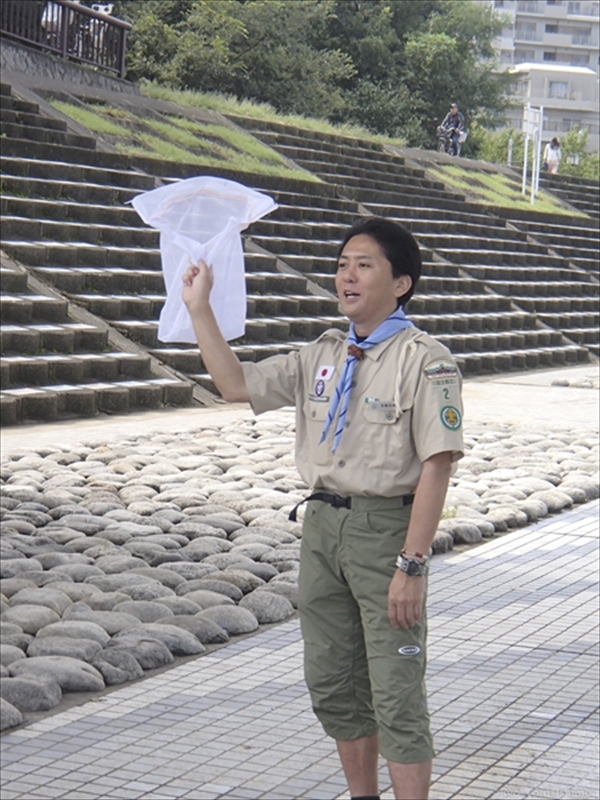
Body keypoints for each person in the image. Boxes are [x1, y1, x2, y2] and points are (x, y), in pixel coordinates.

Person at [182, 216, 464, 800]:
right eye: (342, 265)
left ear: (401, 283)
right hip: (321, 528)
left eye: (364, 265)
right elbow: (235, 384)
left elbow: (438, 464)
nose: (347, 276)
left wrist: (412, 565)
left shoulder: (425, 360)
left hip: (386, 533)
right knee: (334, 684)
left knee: (396, 691)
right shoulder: (322, 354)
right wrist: (199, 308)